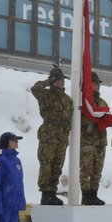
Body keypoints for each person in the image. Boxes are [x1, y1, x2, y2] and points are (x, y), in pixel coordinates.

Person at [30, 65, 71, 206]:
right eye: (59, 80)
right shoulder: (46, 95)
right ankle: (45, 194)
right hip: (49, 134)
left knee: (57, 165)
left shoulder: (67, 99)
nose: (62, 82)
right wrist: (48, 82)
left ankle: (52, 193)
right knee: (46, 164)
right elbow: (35, 89)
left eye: (63, 80)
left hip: (62, 135)